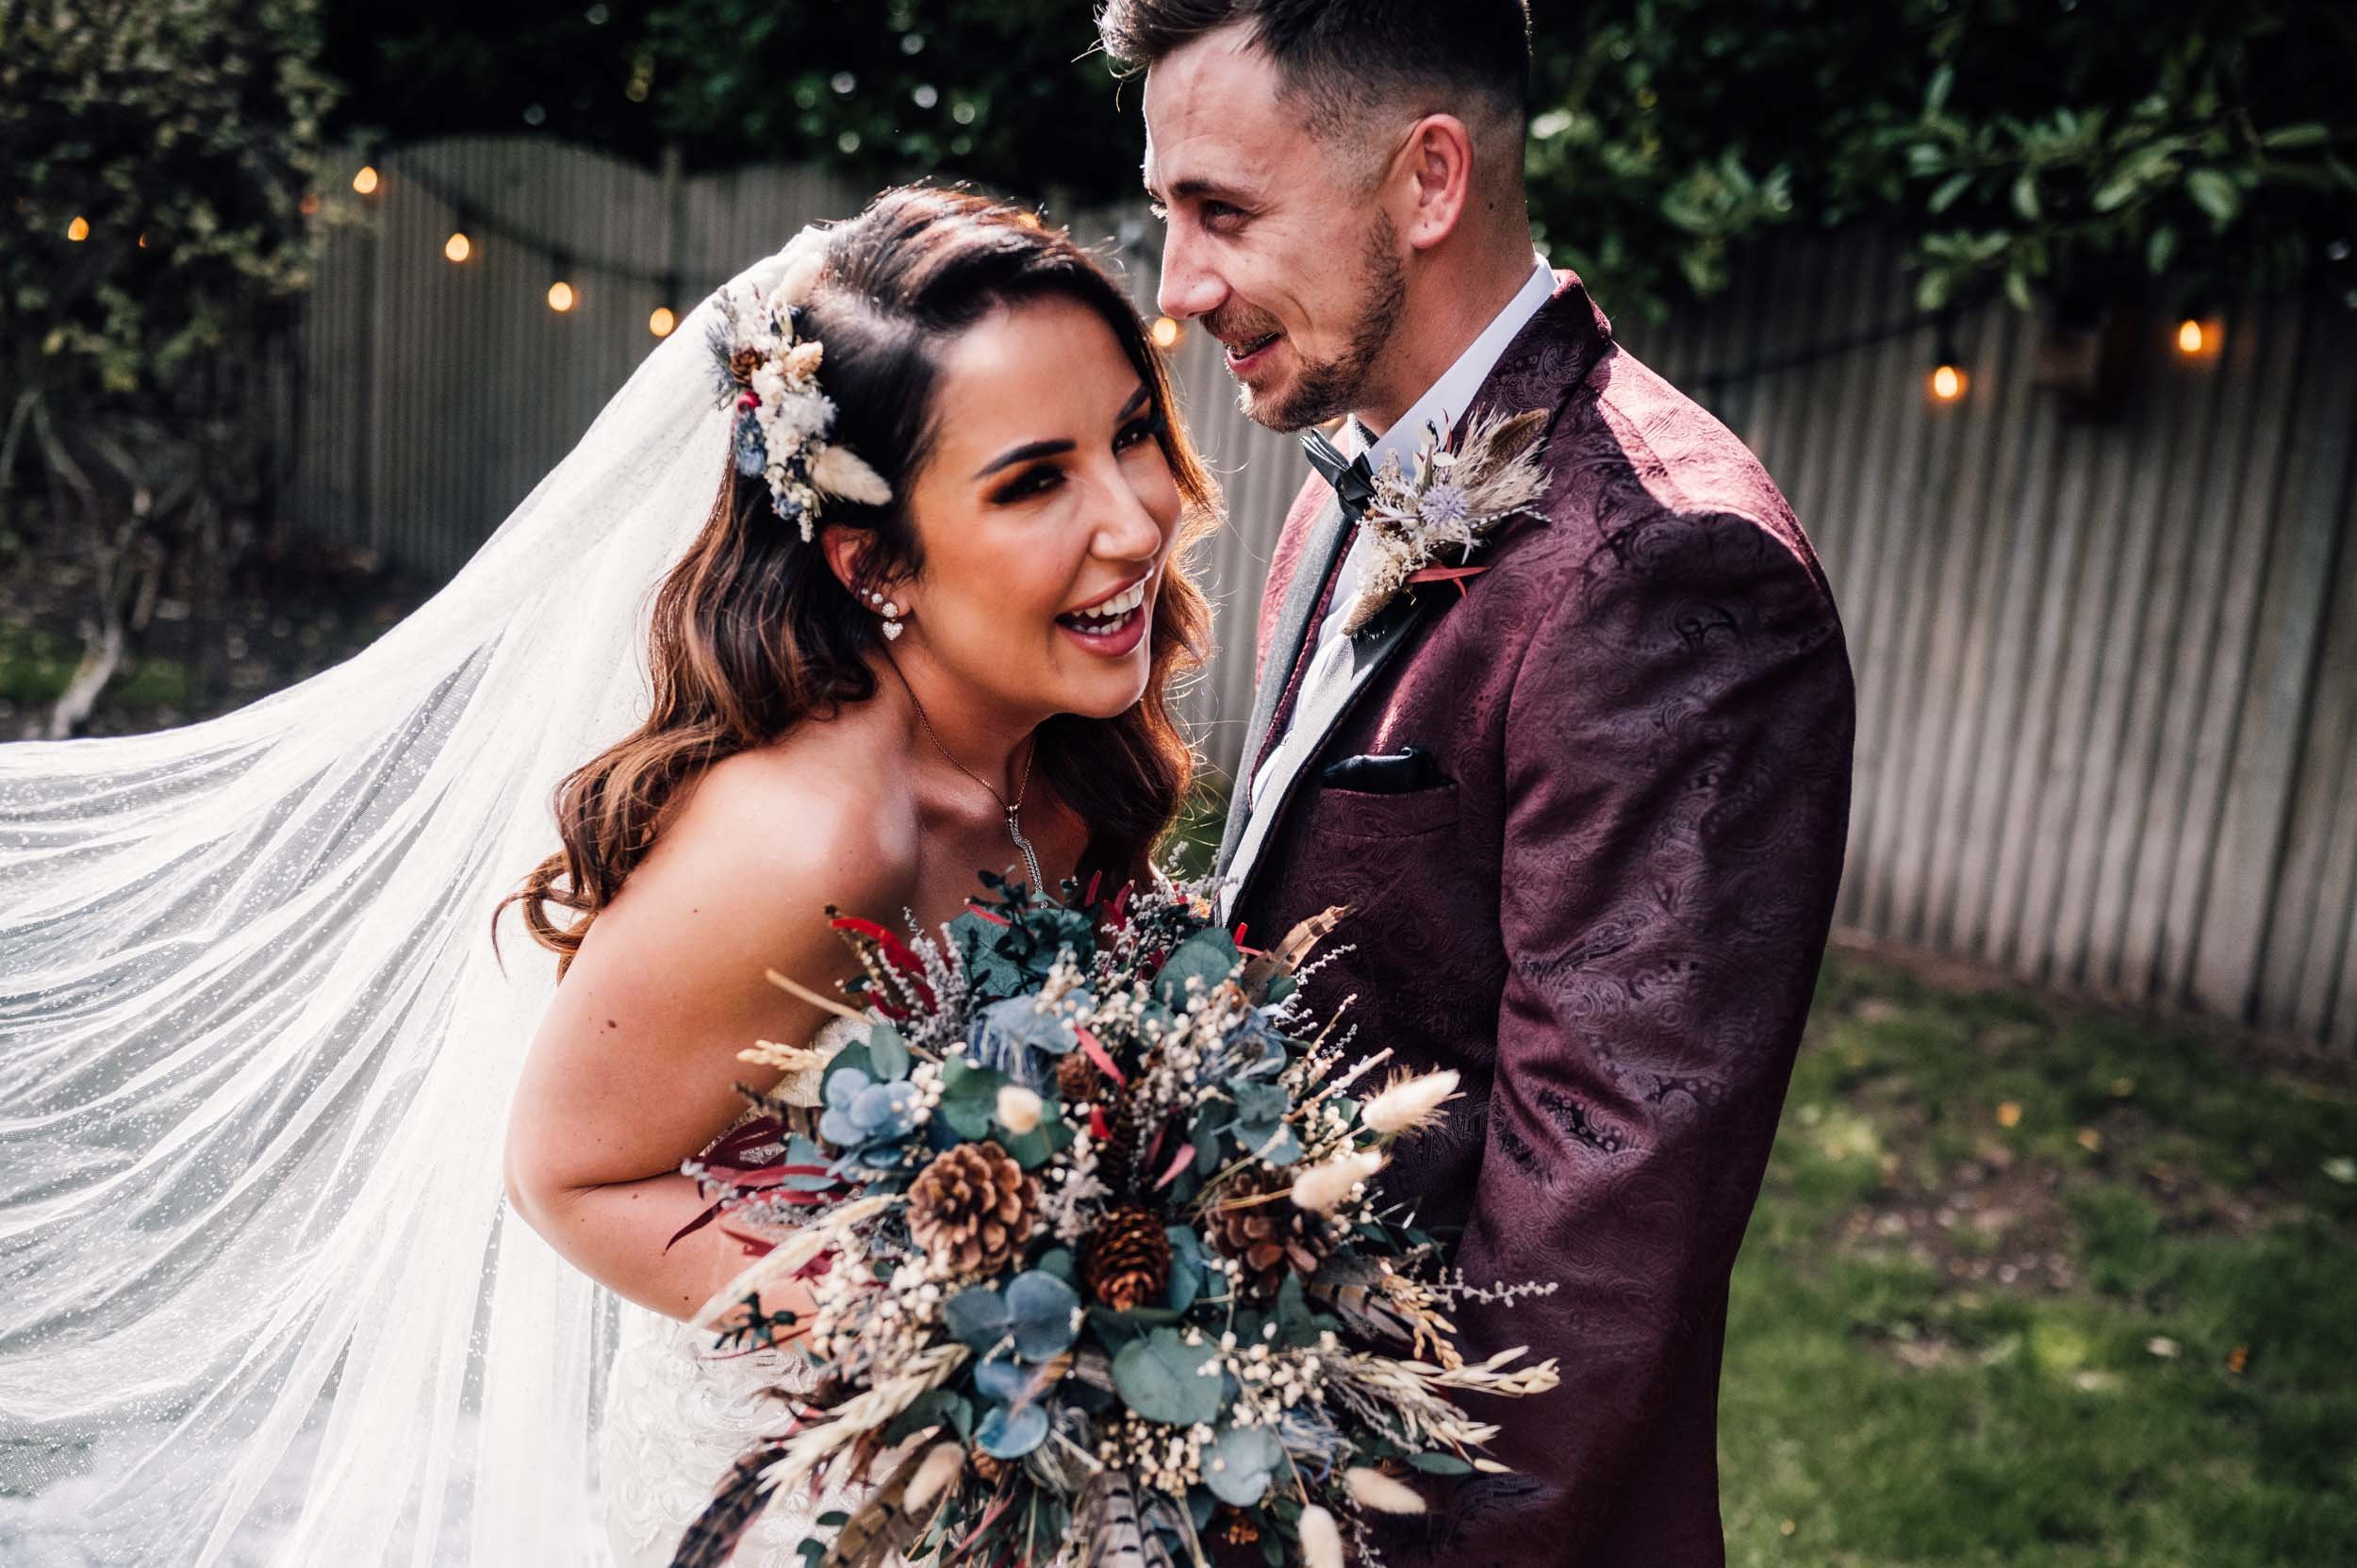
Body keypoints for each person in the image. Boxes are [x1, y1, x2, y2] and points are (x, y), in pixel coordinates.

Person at [0, 187, 1216, 1566]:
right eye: (1034, 480)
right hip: (818, 1489)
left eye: (1130, 434)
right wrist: (936, 1330)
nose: (1133, 520)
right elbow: (566, 1174)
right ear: (872, 561)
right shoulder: (808, 840)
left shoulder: (1063, 750)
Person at [1098, 2, 1857, 1563]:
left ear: (1428, 180)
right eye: (1169, 214)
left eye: (1223, 212)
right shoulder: (1338, 491)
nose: (1179, 289)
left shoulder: (1672, 568)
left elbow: (1606, 1197)